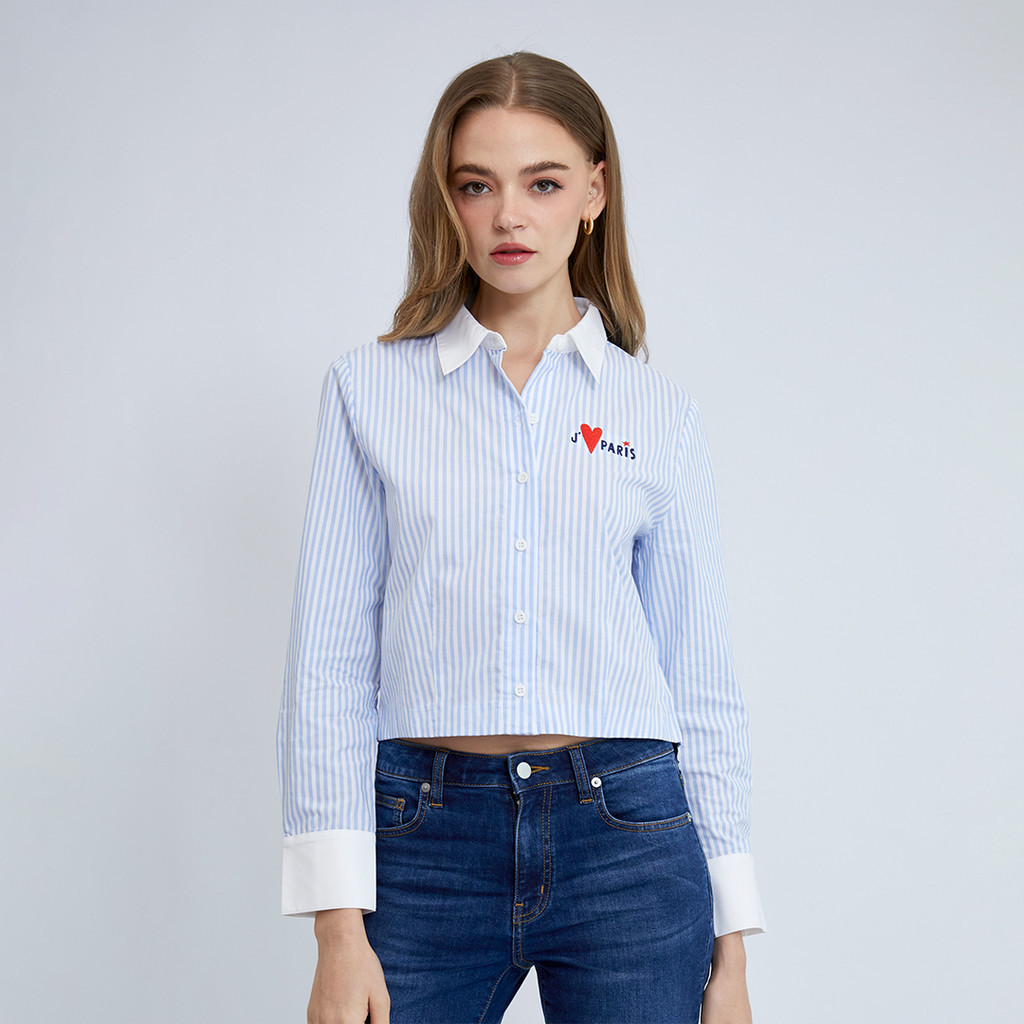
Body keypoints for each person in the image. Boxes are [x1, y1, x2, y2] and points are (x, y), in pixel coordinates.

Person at [277, 51, 765, 1024]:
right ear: (447, 201)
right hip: (422, 839)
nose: (509, 216)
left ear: (593, 193)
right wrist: (337, 929)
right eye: (477, 185)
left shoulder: (655, 412)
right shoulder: (369, 392)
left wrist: (734, 947)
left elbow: (700, 680)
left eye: (542, 183)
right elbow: (328, 664)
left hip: (628, 834)